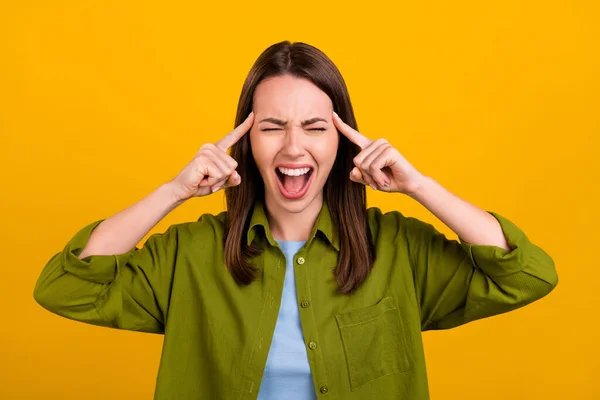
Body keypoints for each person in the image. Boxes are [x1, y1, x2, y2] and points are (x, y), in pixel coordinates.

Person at [33, 41, 558, 400]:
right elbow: (65, 287)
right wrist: (174, 191)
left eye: (313, 126)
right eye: (271, 127)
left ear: (342, 139)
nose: (293, 147)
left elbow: (527, 273)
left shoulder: (396, 249)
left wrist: (419, 187)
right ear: (245, 143)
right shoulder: (192, 255)